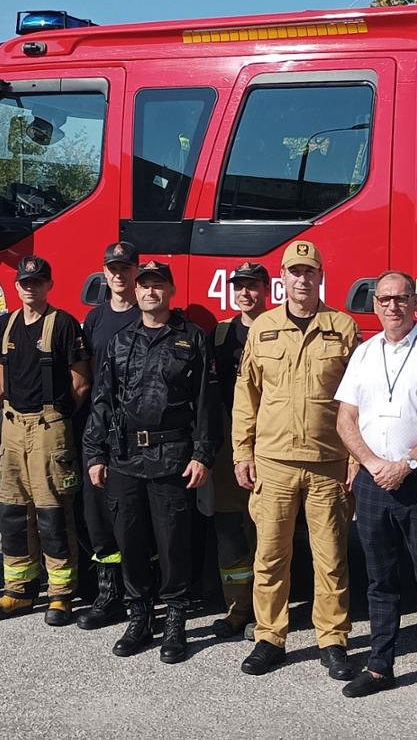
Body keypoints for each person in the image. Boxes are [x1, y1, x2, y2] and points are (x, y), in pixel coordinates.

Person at [334, 271, 417, 711]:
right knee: (380, 580)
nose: (393, 306)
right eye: (385, 299)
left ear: (415, 303)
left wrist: (406, 465)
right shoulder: (364, 353)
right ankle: (379, 667)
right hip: (374, 482)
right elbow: (345, 419)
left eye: (401, 298)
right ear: (375, 304)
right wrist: (373, 464)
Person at [234, 240, 361, 680]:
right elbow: (247, 395)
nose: (302, 279)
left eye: (309, 271)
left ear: (321, 276)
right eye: (294, 272)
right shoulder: (263, 328)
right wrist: (241, 451)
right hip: (273, 463)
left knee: (331, 559)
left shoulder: (342, 327)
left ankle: (333, 640)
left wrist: (356, 456)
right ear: (282, 278)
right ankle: (269, 637)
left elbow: (357, 399)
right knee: (270, 556)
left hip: (328, 462)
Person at [83, 260, 215, 663]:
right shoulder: (120, 341)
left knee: (173, 543)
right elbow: (103, 399)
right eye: (144, 286)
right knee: (131, 540)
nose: (150, 292)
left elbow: (205, 402)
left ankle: (175, 619)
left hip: (172, 458)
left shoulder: (191, 338)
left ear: (170, 291)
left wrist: (202, 454)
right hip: (125, 458)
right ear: (135, 292)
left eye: (158, 285)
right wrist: (95, 452)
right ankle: (139, 616)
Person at [0, 255, 90, 625]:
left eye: (37, 282)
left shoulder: (63, 324)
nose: (30, 288)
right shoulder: (4, 325)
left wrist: (57, 419)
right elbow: (0, 383)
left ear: (49, 285)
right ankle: (18, 589)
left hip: (49, 428)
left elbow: (81, 382)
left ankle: (61, 594)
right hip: (12, 425)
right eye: (25, 282)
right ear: (17, 286)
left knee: (52, 512)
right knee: (13, 512)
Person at [75, 240, 140, 629]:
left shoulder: (147, 315)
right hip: (99, 427)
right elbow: (86, 376)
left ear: (136, 272)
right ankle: (108, 595)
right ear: (105, 272)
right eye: (113, 268)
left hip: (137, 430)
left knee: (133, 517)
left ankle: (139, 595)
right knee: (97, 514)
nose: (119, 275)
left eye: (125, 268)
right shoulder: (94, 319)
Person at [202, 260, 268, 639]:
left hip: (269, 440)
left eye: (252, 285)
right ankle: (236, 607)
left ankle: (265, 610)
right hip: (229, 439)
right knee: (229, 524)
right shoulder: (221, 333)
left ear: (266, 289)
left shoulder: (276, 328)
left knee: (266, 529)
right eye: (239, 286)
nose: (245, 293)